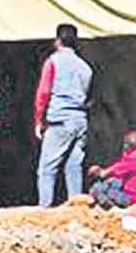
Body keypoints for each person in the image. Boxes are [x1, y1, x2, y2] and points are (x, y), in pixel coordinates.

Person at [33, 23, 93, 207]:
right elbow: (89, 97)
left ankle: (45, 208)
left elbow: (43, 92)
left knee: (47, 168)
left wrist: (38, 120)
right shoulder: (85, 67)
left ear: (57, 41)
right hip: (80, 121)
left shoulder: (53, 61)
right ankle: (77, 209)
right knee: (74, 166)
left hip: (60, 120)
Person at [87, 129, 136, 209]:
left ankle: (109, 207)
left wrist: (94, 170)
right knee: (114, 181)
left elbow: (104, 173)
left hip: (135, 199)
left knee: (97, 188)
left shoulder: (132, 158)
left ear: (126, 145)